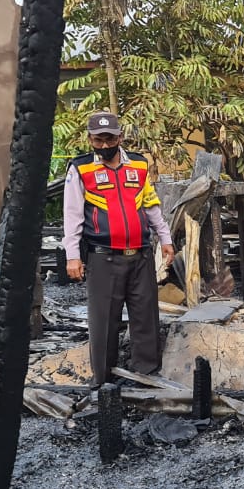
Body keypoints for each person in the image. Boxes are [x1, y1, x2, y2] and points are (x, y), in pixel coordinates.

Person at [63, 111, 176, 387]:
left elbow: (150, 204)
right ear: (89, 139)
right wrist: (72, 256)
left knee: (145, 318)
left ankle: (146, 378)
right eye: (98, 140)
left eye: (109, 139)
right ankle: (103, 382)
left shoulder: (138, 165)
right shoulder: (81, 169)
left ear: (120, 137)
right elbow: (72, 216)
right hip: (103, 258)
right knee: (103, 323)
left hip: (140, 255)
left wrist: (165, 238)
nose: (104, 145)